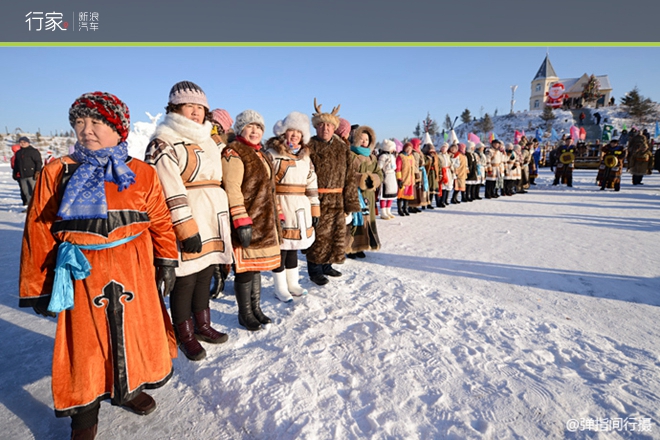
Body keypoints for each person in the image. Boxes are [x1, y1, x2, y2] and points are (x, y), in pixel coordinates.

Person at [20, 92, 179, 439]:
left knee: (136, 337)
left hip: (134, 270)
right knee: (86, 349)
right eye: (79, 122)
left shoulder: (141, 172)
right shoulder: (58, 171)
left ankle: (130, 389)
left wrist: (167, 259)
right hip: (82, 275)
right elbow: (38, 231)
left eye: (97, 122)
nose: (86, 130)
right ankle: (85, 418)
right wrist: (37, 286)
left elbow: (161, 221)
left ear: (118, 128)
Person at [146, 81, 233, 359]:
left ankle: (203, 324)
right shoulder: (163, 140)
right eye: (189, 106)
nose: (196, 112)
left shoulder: (208, 138)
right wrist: (184, 226)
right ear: (175, 108)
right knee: (185, 278)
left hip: (212, 216)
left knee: (205, 272)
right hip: (189, 216)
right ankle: (183, 333)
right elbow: (168, 186)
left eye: (200, 107)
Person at [222, 110, 283, 330]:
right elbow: (232, 188)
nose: (255, 131)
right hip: (246, 220)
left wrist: (278, 214)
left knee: (256, 267)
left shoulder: (262, 154)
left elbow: (270, 188)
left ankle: (256, 308)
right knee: (245, 269)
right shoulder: (233, 152)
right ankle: (244, 313)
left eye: (258, 127)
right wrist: (240, 219)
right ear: (240, 129)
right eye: (250, 126)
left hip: (264, 220)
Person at [265, 111, 319, 302]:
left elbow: (312, 183)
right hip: (280, 204)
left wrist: (315, 208)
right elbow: (265, 182)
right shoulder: (272, 154)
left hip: (300, 206)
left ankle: (293, 283)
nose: (294, 135)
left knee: (294, 247)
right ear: (283, 133)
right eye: (291, 131)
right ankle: (280, 287)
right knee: (281, 247)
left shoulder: (305, 157)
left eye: (298, 132)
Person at [304, 99, 359, 286]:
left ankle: (327, 265)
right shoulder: (309, 147)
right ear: (316, 128)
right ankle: (315, 270)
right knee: (318, 236)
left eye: (328, 125)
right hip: (316, 198)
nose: (325, 129)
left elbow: (350, 177)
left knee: (335, 233)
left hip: (337, 199)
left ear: (334, 127)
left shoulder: (342, 148)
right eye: (321, 125)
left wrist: (349, 203)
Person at [346, 125, 382, 259]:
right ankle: (351, 247)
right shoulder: (351, 155)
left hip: (369, 195)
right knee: (355, 221)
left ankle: (363, 246)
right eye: (361, 138)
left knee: (366, 221)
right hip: (355, 194)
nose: (363, 141)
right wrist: (360, 179)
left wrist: (374, 179)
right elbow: (347, 174)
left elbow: (379, 173)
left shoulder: (372, 158)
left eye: (366, 139)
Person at [12, 135, 43, 208]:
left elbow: (38, 162)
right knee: (26, 192)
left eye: (24, 142)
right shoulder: (18, 153)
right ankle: (30, 207)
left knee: (34, 191)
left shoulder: (33, 151)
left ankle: (38, 207)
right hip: (22, 176)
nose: (22, 143)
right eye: (21, 142)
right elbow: (16, 164)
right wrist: (15, 172)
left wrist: (37, 171)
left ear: (28, 143)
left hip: (32, 175)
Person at [377, 139, 398, 219]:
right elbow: (379, 167)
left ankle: (388, 210)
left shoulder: (392, 156)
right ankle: (383, 212)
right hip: (386, 176)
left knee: (391, 195)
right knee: (384, 195)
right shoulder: (383, 156)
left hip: (392, 176)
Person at [396, 142, 416, 216]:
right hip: (403, 178)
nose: (408, 150)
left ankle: (405, 208)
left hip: (410, 179)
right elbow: (398, 169)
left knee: (407, 195)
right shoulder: (401, 156)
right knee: (401, 195)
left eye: (410, 149)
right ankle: (399, 209)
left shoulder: (412, 157)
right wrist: (399, 179)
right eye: (407, 149)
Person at [423, 142, 441, 208]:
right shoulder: (425, 156)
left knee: (433, 190)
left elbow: (439, 165)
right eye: (430, 150)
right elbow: (424, 163)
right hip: (428, 174)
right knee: (428, 190)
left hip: (434, 174)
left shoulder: (436, 156)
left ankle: (430, 202)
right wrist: (429, 159)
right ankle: (426, 203)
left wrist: (440, 173)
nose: (432, 151)